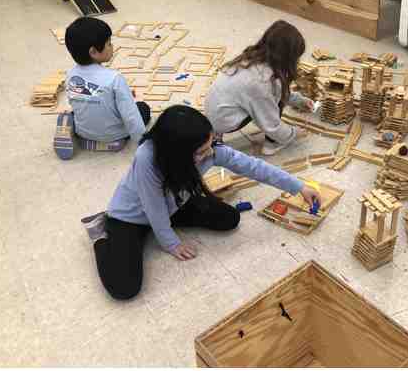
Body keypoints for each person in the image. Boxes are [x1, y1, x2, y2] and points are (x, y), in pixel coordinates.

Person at [80, 105, 320, 300]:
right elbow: (153, 207)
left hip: (175, 203)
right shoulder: (147, 158)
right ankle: (101, 232)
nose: (211, 153)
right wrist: (171, 243)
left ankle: (160, 226)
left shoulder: (209, 148)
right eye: (202, 151)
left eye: (210, 144)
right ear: (177, 153)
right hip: (132, 216)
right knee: (124, 288)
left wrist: (298, 186)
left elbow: (253, 166)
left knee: (229, 218)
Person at [205, 20, 315, 156]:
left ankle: (216, 133)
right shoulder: (261, 82)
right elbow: (271, 124)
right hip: (223, 121)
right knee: (272, 104)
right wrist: (293, 133)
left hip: (214, 114)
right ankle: (272, 143)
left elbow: (276, 90)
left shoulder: (251, 57)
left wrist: (298, 100)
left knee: (265, 96)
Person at [54, 17, 150, 160]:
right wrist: (144, 143)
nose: (112, 46)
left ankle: (74, 130)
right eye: (109, 43)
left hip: (84, 132)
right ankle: (111, 143)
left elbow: (77, 99)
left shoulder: (70, 75)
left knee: (75, 111)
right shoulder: (115, 78)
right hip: (115, 134)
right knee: (142, 108)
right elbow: (131, 117)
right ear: (93, 51)